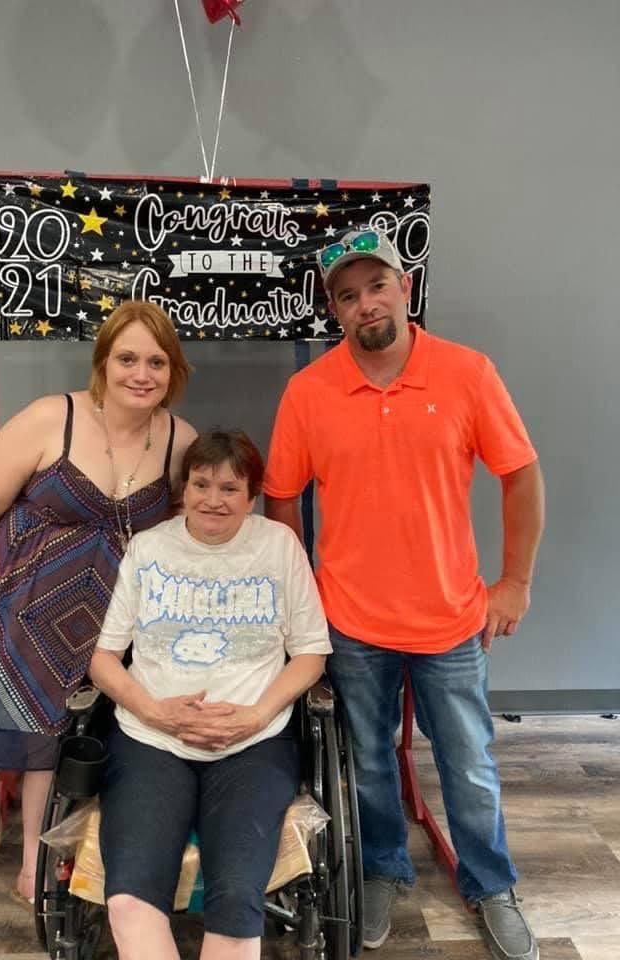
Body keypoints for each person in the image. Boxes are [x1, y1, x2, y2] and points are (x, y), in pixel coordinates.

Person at [263, 228, 545, 960]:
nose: (366, 305)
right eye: (347, 296)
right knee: (368, 762)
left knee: (470, 764)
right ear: (334, 310)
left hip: (451, 618)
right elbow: (282, 498)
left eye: (377, 286)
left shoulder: (467, 373)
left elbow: (520, 474)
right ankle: (383, 867)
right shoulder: (309, 391)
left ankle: (491, 883)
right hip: (351, 623)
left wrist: (514, 583)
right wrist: (304, 599)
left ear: (405, 288)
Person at [0, 300, 197, 909]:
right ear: (103, 363)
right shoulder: (52, 418)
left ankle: (35, 862)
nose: (141, 374)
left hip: (95, 627)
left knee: (48, 750)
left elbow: (185, 531)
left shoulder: (179, 440)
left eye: (156, 362)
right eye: (127, 359)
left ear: (172, 370)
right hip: (11, 607)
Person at [89, 430, 331, 960]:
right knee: (129, 899)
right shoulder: (150, 548)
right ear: (184, 489)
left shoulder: (278, 547)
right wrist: (156, 713)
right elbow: (102, 659)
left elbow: (311, 653)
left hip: (254, 743)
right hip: (150, 741)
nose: (213, 500)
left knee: (238, 897)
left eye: (229, 488)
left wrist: (256, 715)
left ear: (253, 496)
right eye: (201, 484)